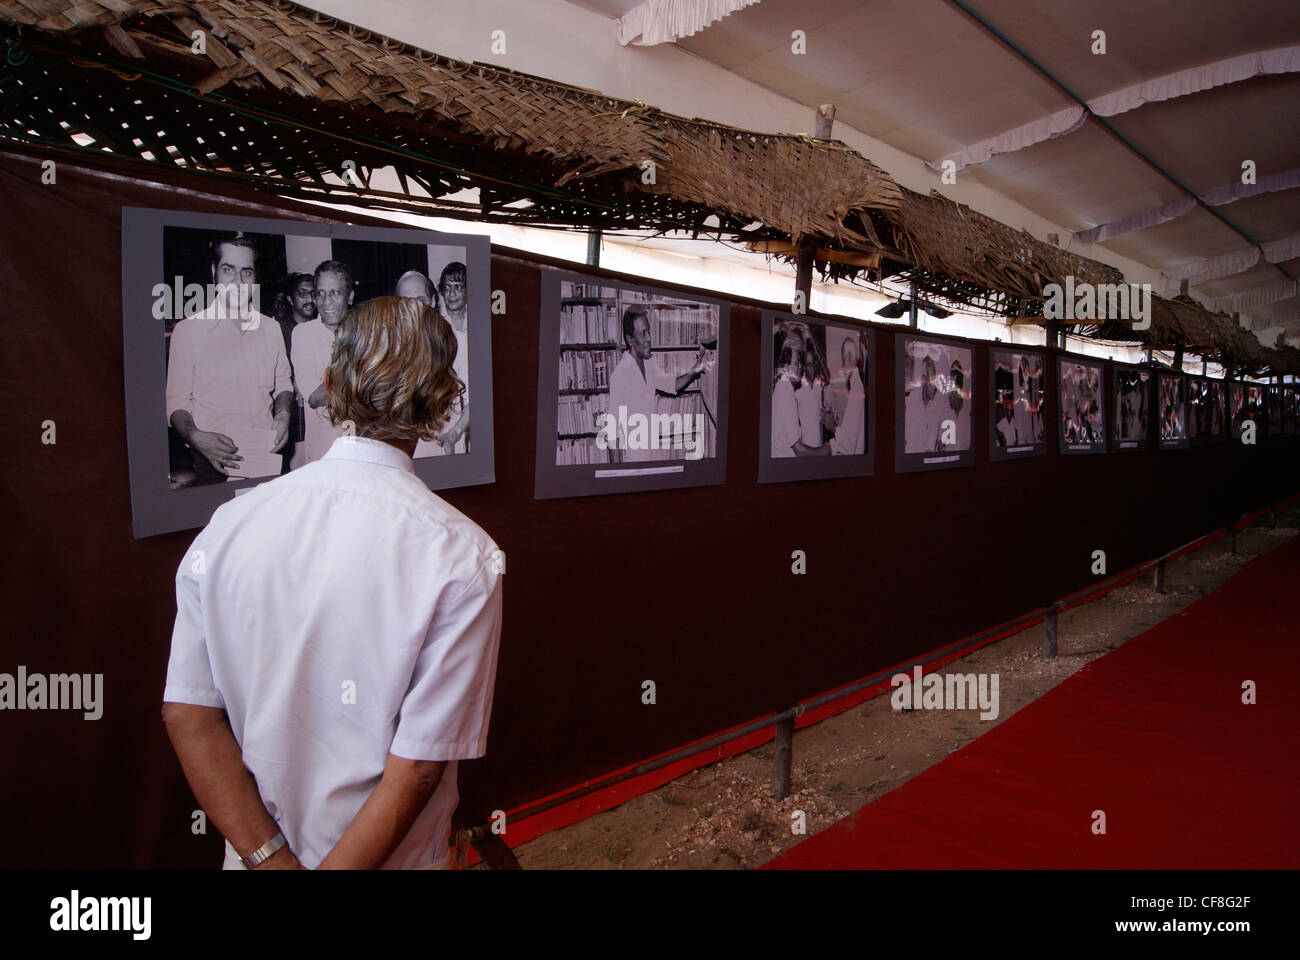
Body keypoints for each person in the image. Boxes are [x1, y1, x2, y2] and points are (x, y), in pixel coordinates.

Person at [162, 295, 501, 871]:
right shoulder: (462, 555)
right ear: (445, 398)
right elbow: (418, 765)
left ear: (327, 383)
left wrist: (269, 859)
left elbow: (189, 715)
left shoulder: (230, 524)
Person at [166, 233, 294, 483]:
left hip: (265, 456)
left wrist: (283, 416)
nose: (238, 281)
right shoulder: (188, 331)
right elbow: (176, 401)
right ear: (214, 271)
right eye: (228, 270)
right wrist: (195, 436)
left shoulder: (271, 329)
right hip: (212, 463)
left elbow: (284, 385)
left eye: (246, 272)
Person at [608, 305, 707, 461]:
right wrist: (617, 478)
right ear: (630, 339)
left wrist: (694, 370)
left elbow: (673, 385)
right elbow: (612, 434)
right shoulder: (620, 376)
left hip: (654, 456)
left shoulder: (650, 363)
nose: (649, 338)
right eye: (643, 333)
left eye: (648, 332)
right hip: (633, 462)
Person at [292, 260, 354, 464]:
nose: (326, 301)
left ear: (350, 296)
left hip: (359, 443)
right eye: (320, 293)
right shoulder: (303, 334)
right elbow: (315, 396)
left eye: (335, 293)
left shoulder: (365, 332)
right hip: (323, 452)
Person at [903, 350, 942, 453]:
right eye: (932, 382)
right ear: (924, 380)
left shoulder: (938, 403)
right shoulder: (913, 398)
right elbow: (906, 439)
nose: (934, 388)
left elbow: (935, 442)